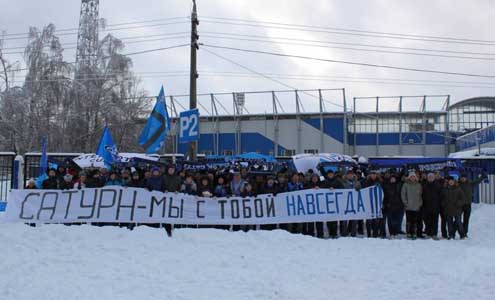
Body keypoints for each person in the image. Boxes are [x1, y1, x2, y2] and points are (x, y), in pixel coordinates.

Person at [319, 170, 344, 238]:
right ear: (327, 175)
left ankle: (335, 233)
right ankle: (330, 232)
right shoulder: (324, 182)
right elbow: (321, 189)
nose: (330, 175)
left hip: (335, 203)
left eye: (331, 174)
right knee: (328, 218)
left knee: (335, 218)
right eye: (329, 174)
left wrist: (335, 189)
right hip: (327, 203)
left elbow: (342, 188)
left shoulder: (337, 181)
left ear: (333, 174)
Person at [401, 172, 423, 239]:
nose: (412, 178)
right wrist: (405, 203)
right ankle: (409, 233)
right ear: (409, 177)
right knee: (409, 221)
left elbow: (421, 195)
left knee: (415, 221)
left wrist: (420, 203)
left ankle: (414, 233)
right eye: (411, 177)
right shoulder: (405, 185)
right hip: (409, 206)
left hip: (416, 206)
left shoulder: (419, 185)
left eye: (414, 177)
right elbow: (403, 194)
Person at [421, 173, 443, 239]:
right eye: (429, 177)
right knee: (428, 221)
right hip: (426, 206)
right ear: (427, 178)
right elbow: (422, 195)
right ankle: (428, 233)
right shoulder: (424, 185)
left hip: (435, 206)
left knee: (435, 221)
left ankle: (434, 234)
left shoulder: (438, 185)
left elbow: (441, 195)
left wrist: (439, 204)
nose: (430, 178)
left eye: (432, 177)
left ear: (434, 178)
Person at [363, 171, 384, 238]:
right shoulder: (366, 182)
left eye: (374, 174)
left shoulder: (380, 182)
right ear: (370, 175)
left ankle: (375, 233)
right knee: (368, 220)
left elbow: (383, 191)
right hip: (368, 203)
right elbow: (363, 189)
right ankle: (369, 234)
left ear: (376, 175)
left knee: (376, 220)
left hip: (377, 203)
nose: (373, 176)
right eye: (372, 174)